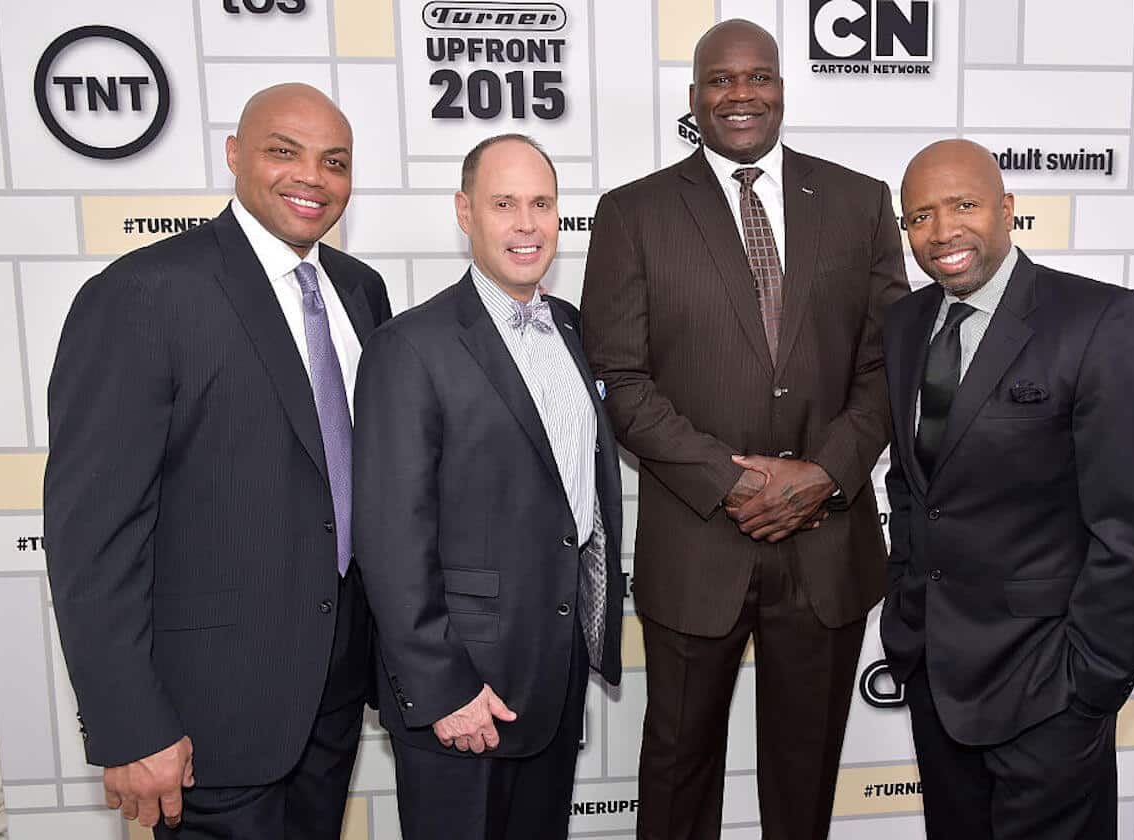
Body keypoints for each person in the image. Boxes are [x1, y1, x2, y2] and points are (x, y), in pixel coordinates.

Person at [580, 19, 908, 840]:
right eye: (721, 81)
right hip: (698, 544)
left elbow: (889, 367)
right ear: (695, 99)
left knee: (805, 774)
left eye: (757, 76)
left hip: (827, 542)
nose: (741, 94)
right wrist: (735, 481)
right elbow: (619, 379)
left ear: (782, 91)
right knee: (678, 767)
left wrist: (824, 474)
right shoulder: (633, 213)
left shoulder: (861, 201)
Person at [44, 83, 391, 838]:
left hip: (332, 697)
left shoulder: (363, 292)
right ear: (234, 156)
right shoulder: (142, 294)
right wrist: (129, 723)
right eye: (283, 152)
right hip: (205, 720)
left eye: (335, 161)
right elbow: (92, 536)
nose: (313, 177)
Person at [881, 139, 1134, 839]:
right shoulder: (905, 325)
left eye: (964, 205)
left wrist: (1094, 678)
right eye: (920, 216)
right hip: (935, 672)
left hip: (1050, 683)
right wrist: (908, 616)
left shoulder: (1101, 320)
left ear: (1007, 209)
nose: (943, 231)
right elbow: (913, 485)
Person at [353, 133, 623, 840]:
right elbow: (389, 537)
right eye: (504, 203)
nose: (526, 224)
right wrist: (443, 688)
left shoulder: (571, 327)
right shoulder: (410, 346)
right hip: (463, 686)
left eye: (541, 203)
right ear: (464, 212)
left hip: (553, 674)